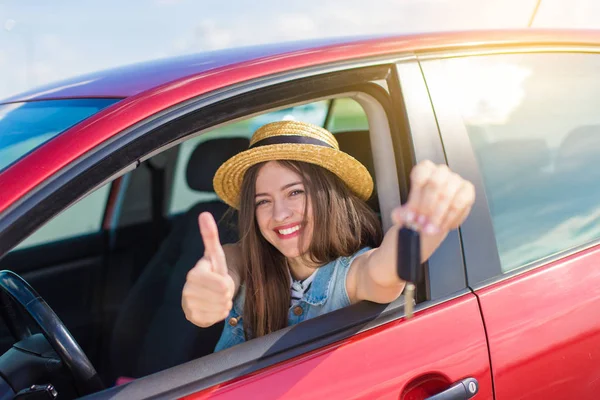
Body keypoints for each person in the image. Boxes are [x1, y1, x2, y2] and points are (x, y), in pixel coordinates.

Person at [182, 120, 475, 352]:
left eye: (295, 192)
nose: (280, 214)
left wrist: (419, 230)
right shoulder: (245, 259)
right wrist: (203, 299)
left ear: (328, 196)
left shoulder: (350, 275)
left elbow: (384, 270)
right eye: (263, 201)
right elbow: (225, 269)